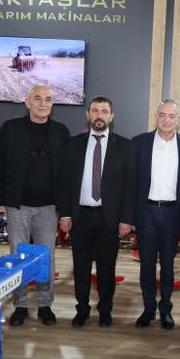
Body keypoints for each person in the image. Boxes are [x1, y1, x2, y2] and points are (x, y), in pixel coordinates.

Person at [0, 85, 70, 327]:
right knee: (19, 258)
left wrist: (65, 210)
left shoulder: (61, 131)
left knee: (46, 259)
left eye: (48, 99)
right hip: (17, 206)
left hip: (48, 208)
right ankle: (21, 306)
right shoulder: (10, 128)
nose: (43, 103)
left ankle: (45, 305)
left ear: (52, 104)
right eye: (37, 99)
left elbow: (67, 175)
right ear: (27, 102)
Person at [58, 96, 135, 328]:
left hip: (109, 218)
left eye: (104, 111)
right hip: (80, 216)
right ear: (88, 115)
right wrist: (65, 214)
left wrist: (126, 219)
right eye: (95, 111)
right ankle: (82, 310)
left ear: (111, 116)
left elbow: (131, 187)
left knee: (107, 267)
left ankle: (105, 310)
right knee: (80, 267)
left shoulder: (125, 146)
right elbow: (65, 182)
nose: (99, 115)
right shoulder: (74, 144)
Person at [132, 99, 180, 330]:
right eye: (162, 115)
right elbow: (131, 183)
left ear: (178, 120)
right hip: (147, 212)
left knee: (168, 265)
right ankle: (148, 309)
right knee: (147, 264)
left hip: (173, 214)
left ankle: (166, 310)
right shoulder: (139, 143)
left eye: (171, 116)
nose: (166, 120)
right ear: (156, 117)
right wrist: (130, 218)